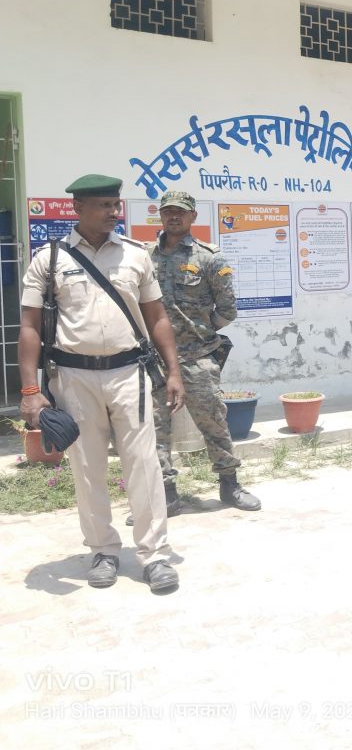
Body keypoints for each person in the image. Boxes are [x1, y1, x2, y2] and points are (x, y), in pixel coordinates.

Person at [18, 174, 185, 594]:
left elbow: (157, 317)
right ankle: (103, 550)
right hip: (73, 376)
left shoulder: (135, 255)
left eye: (116, 204)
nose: (114, 212)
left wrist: (174, 371)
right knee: (87, 466)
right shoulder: (49, 259)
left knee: (144, 463)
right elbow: (30, 327)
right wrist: (30, 391)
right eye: (104, 205)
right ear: (78, 208)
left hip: (129, 373)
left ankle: (154, 555)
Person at [126, 190, 259, 526]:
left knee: (214, 422)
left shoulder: (209, 258)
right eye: (168, 211)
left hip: (197, 356)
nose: (174, 217)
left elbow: (227, 310)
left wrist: (200, 330)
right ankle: (166, 495)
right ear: (160, 215)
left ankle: (229, 485)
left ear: (192, 217)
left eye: (181, 212)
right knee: (155, 428)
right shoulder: (144, 257)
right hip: (154, 360)